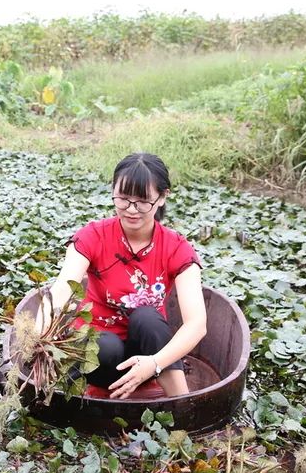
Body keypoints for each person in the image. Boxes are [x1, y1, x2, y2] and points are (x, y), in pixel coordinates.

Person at [39, 153, 206, 399]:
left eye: (142, 201)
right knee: (106, 346)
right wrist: (38, 339)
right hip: (99, 355)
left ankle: (183, 404)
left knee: (148, 318)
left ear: (162, 197)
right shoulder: (93, 236)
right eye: (123, 199)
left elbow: (196, 324)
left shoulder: (176, 248)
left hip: (149, 358)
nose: (131, 210)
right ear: (113, 192)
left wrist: (155, 363)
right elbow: (62, 289)